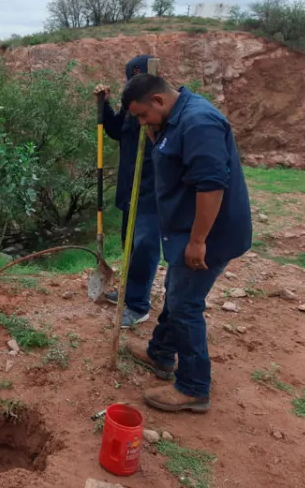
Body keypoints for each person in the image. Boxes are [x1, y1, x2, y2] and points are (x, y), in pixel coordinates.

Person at [120, 74, 252, 413]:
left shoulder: (198, 123)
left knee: (184, 305)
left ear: (159, 100)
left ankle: (194, 388)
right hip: (186, 231)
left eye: (141, 115)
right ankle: (160, 354)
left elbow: (211, 186)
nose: (140, 122)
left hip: (210, 235)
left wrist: (197, 241)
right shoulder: (173, 119)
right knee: (177, 293)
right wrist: (152, 132)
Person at [94, 55, 159, 328]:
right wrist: (104, 106)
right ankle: (130, 294)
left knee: (143, 249)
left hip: (151, 192)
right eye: (132, 80)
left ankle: (138, 306)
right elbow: (118, 131)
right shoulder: (130, 104)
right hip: (128, 188)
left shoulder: (162, 110)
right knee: (129, 245)